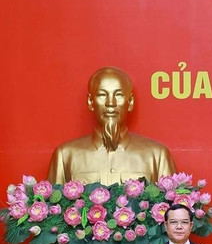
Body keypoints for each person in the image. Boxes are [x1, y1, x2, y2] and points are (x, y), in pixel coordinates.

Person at [47, 66, 175, 185]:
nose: (111, 103)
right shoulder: (65, 156)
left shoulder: (157, 156)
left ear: (130, 102)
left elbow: (174, 201)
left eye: (118, 95)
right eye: (102, 95)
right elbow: (53, 200)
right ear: (90, 101)